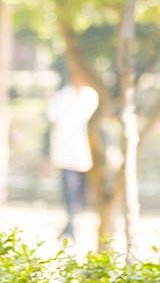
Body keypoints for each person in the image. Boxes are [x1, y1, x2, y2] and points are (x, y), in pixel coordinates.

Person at [46, 74, 99, 243]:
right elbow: (52, 119)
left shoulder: (92, 96)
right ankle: (70, 226)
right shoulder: (62, 96)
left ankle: (70, 226)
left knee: (80, 193)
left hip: (86, 153)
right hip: (66, 152)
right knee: (69, 190)